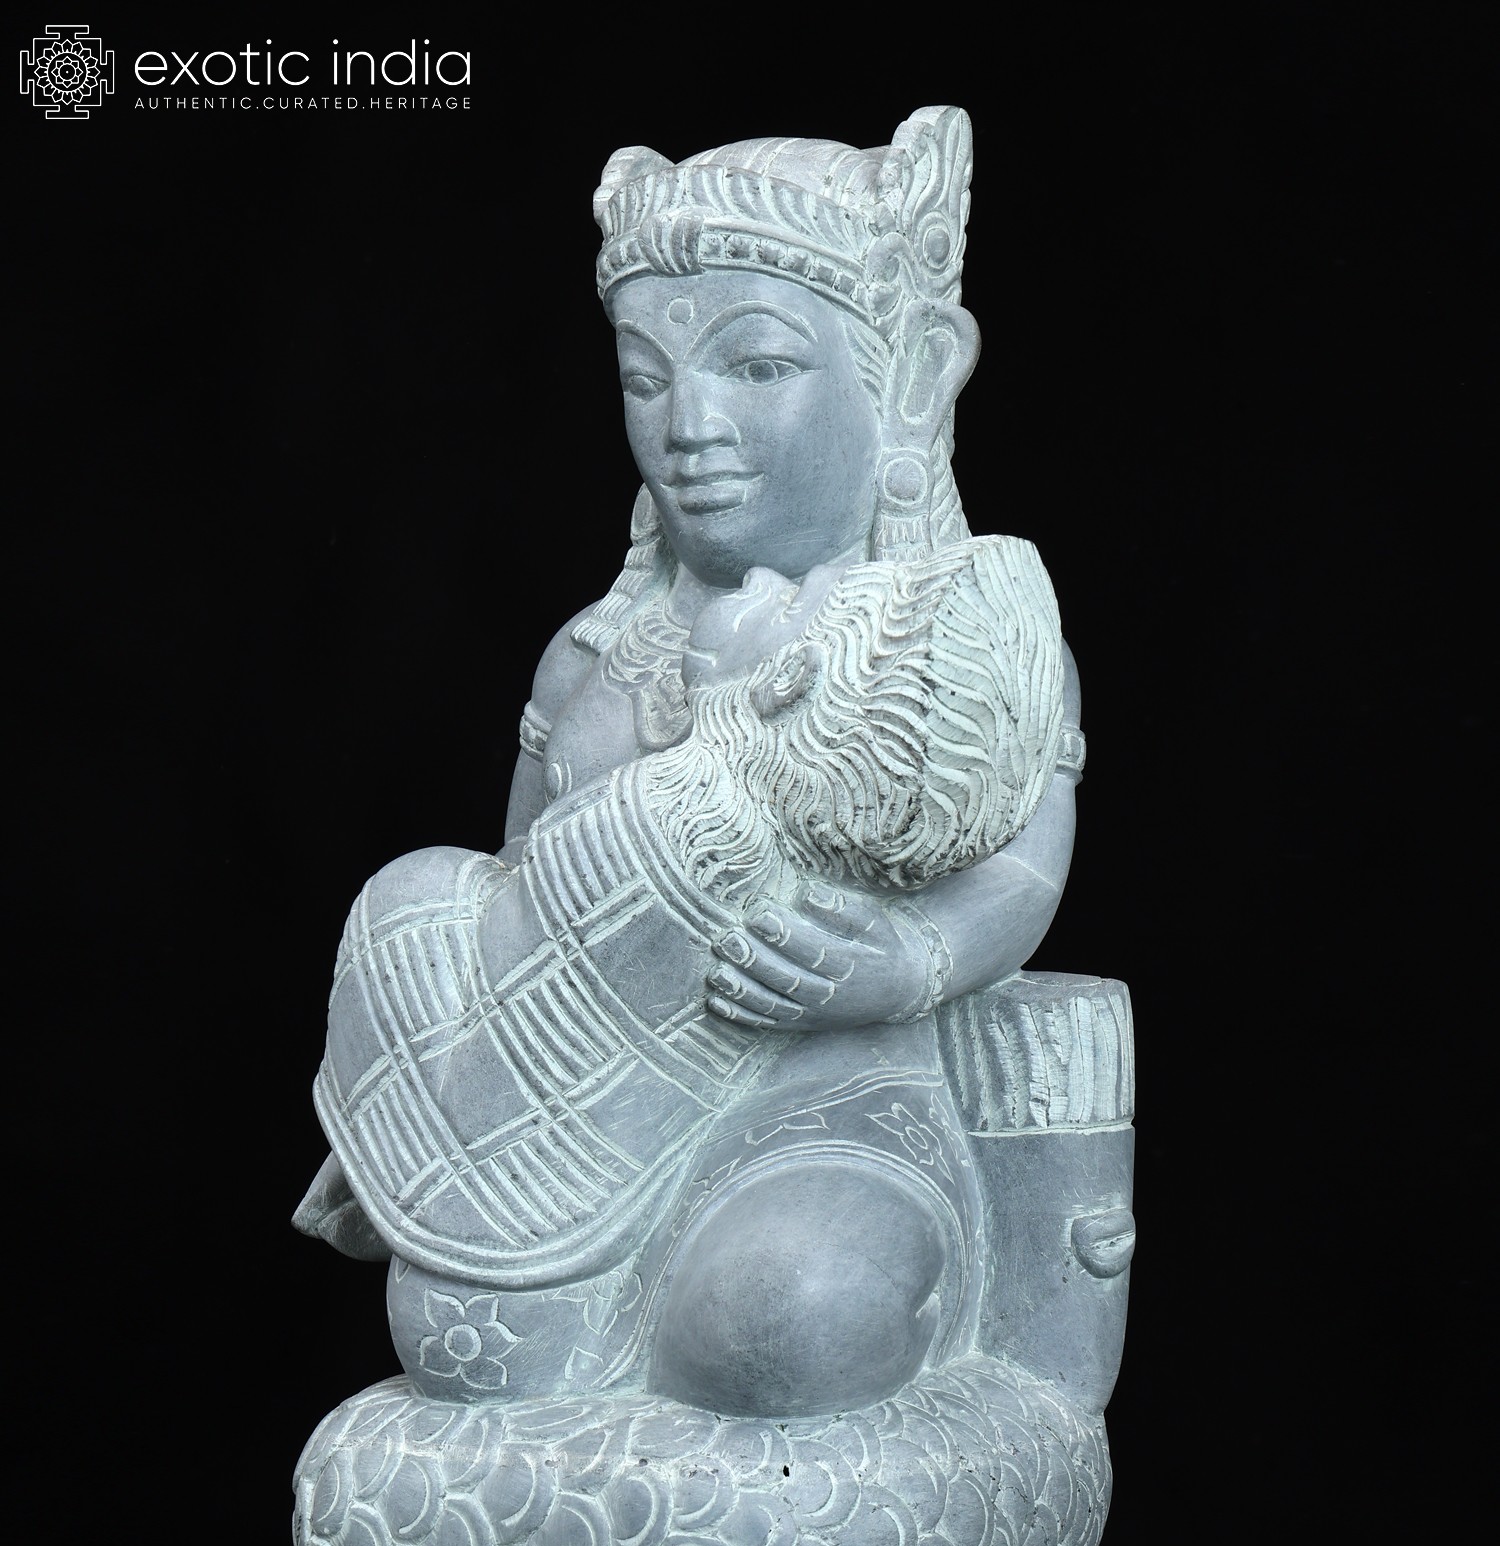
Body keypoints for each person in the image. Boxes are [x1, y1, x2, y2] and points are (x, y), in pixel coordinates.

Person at [297, 107, 1084, 1417]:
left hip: (825, 1103)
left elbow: (1020, 870)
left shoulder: (952, 639)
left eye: (758, 366)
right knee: (456, 1342)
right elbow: (519, 884)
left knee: (783, 1322)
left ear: (911, 373)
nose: (691, 426)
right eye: (647, 379)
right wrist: (441, 1081)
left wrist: (909, 964)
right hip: (581, 1115)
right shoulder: (593, 656)